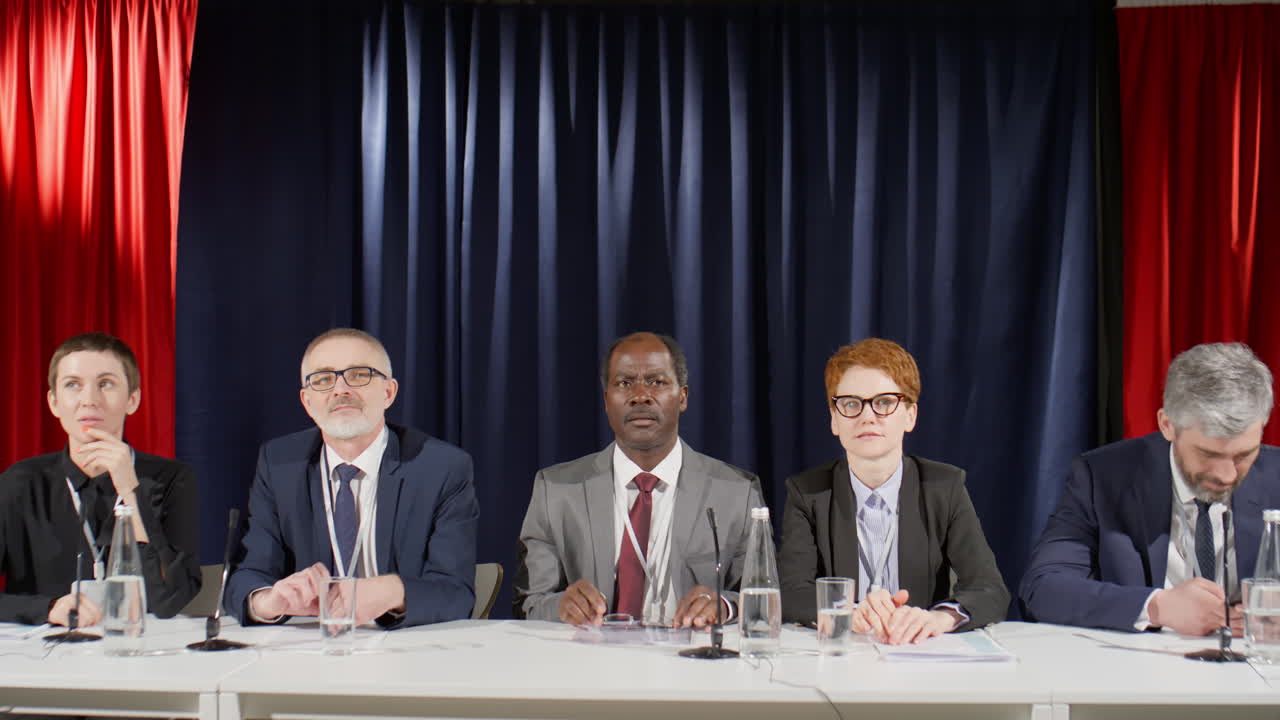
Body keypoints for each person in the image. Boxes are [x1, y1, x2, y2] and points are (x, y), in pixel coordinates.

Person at [1021, 342, 1280, 634]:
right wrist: (1157, 607)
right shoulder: (1104, 477)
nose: (1227, 475)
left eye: (1244, 455)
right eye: (1208, 454)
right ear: (1167, 425)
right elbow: (1042, 589)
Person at [226, 328, 478, 628]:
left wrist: (393, 592)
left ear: (388, 392)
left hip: (405, 650)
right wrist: (268, 601)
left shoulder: (441, 467)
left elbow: (456, 593)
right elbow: (247, 574)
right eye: (323, 379)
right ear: (307, 402)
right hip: (308, 648)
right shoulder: (279, 463)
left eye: (359, 375)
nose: (340, 389)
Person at [513, 332, 764, 627]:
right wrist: (561, 606)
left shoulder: (736, 492)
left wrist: (724, 606)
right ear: (607, 400)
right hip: (588, 662)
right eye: (624, 383)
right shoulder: (556, 490)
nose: (640, 395)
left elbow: (763, 597)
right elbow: (528, 603)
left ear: (682, 396)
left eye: (657, 382)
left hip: (692, 661)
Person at [779, 338, 1008, 644]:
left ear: (910, 415)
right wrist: (847, 611)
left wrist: (939, 617)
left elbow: (990, 589)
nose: (867, 416)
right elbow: (790, 592)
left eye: (884, 402)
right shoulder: (808, 493)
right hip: (846, 654)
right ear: (834, 419)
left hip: (920, 651)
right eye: (851, 404)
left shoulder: (944, 487)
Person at [0, 332, 201, 625]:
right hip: (44, 658)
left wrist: (129, 489)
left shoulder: (172, 479)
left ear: (132, 399)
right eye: (73, 385)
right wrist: (48, 609)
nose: (89, 400)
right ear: (54, 403)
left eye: (106, 384)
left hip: (141, 653)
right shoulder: (20, 482)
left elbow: (169, 599)